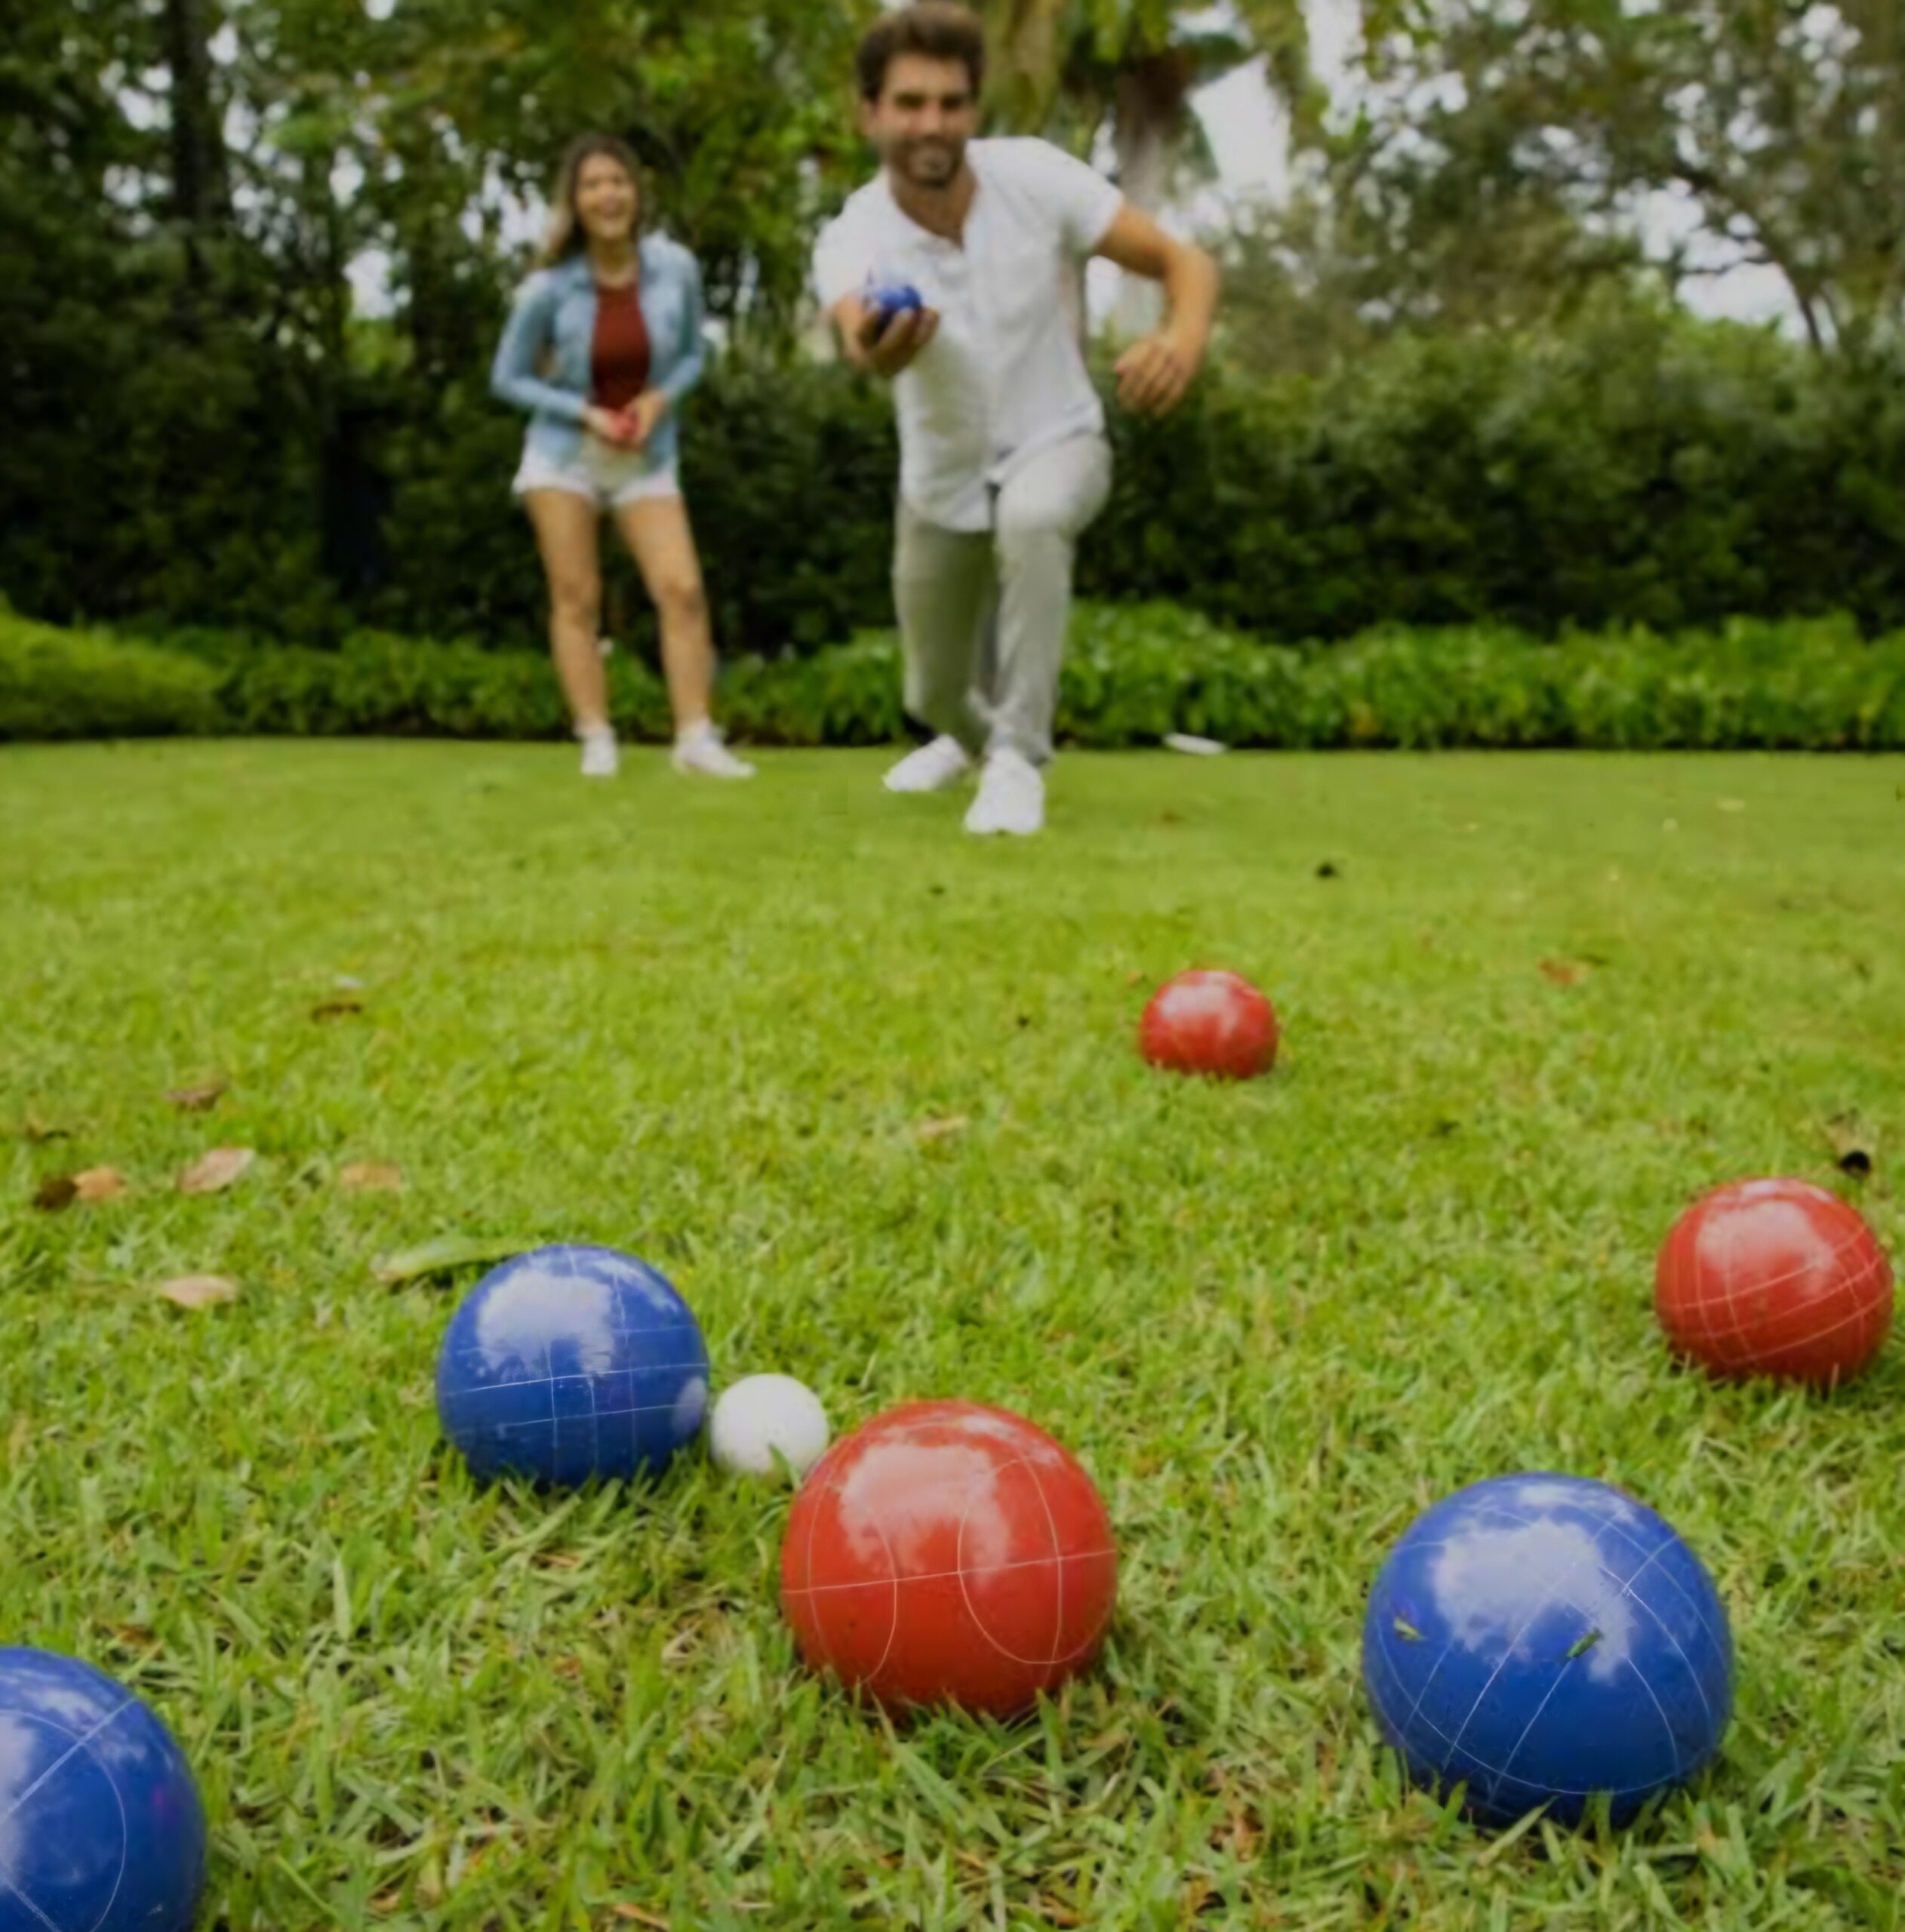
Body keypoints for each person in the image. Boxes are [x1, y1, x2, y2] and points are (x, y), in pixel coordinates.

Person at [813, 2, 1219, 835]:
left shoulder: (1033, 176)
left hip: (1056, 437)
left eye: (951, 103)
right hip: (940, 478)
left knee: (1032, 519)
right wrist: (891, 346)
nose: (933, 122)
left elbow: (1185, 261)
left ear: (973, 106)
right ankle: (967, 742)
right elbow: (864, 343)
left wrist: (1178, 337)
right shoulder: (853, 234)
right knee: (929, 692)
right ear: (870, 113)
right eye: (910, 103)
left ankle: (1016, 760)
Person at [491, 134, 752, 781]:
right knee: (577, 596)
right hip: (565, 455)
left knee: (682, 589)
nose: (607, 195)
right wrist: (584, 412)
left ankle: (695, 736)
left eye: (618, 182)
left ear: (636, 195)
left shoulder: (676, 270)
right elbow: (508, 376)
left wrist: (660, 401)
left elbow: (695, 353)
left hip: (645, 454)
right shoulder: (549, 290)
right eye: (591, 185)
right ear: (575, 203)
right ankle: (596, 736)